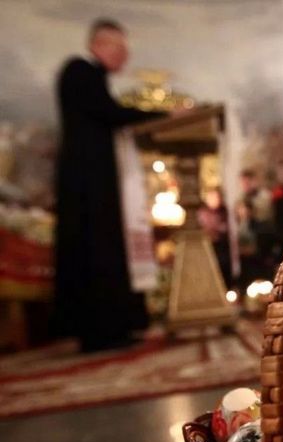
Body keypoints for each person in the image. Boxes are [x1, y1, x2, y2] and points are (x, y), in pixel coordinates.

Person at [54, 19, 166, 352]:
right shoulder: (79, 71)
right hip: (85, 184)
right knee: (95, 250)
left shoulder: (92, 77)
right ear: (98, 45)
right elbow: (110, 112)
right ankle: (98, 331)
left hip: (97, 180)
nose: (125, 55)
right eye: (119, 47)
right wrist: (161, 116)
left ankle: (115, 326)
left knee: (108, 249)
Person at [197, 187, 232, 287]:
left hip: (223, 247)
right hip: (209, 247)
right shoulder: (203, 213)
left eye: (216, 197)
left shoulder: (225, 212)